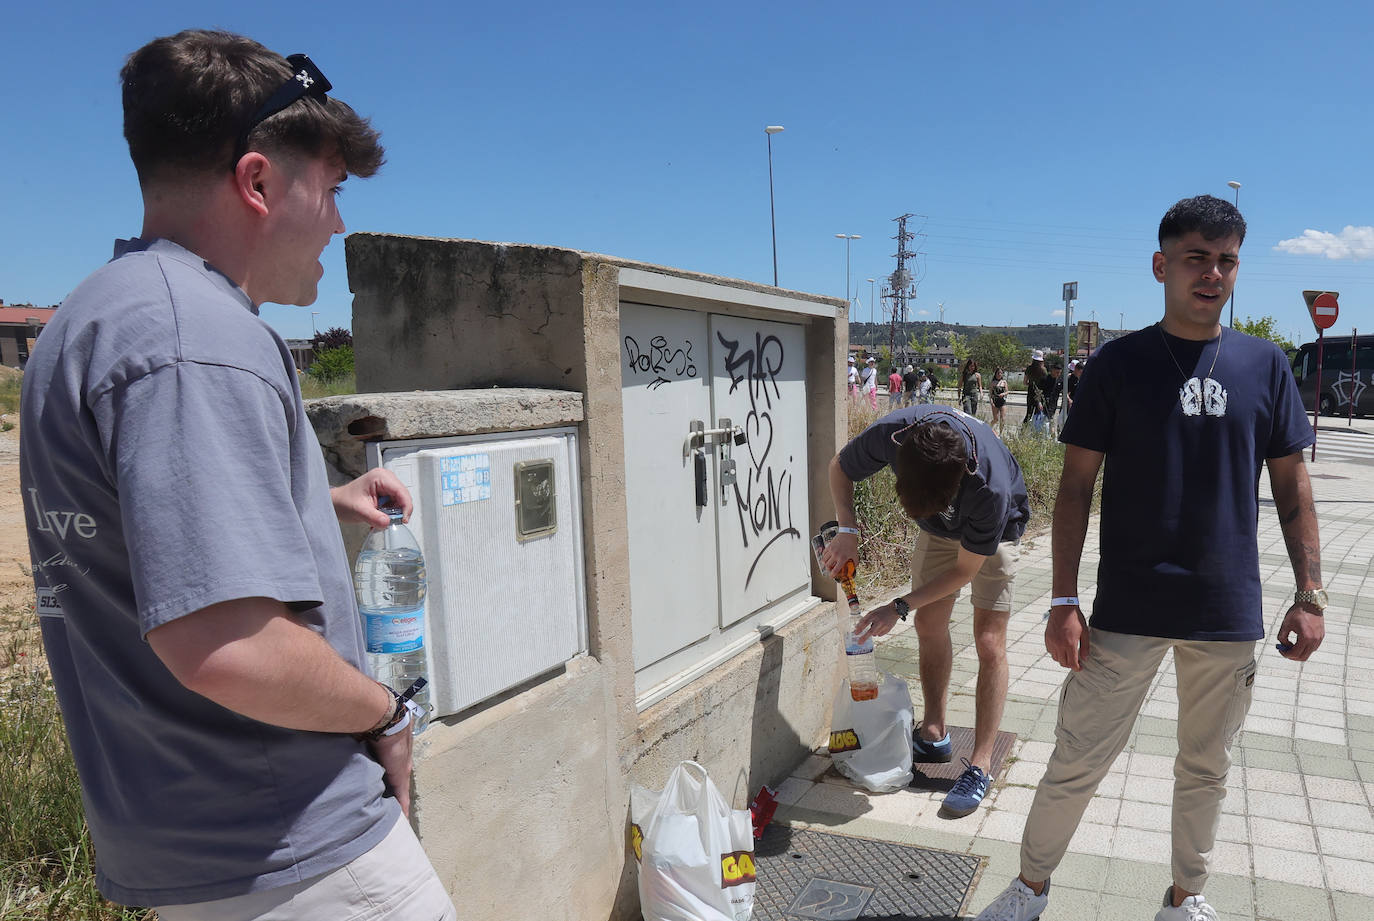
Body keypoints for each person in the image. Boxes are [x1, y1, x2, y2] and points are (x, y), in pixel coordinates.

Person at [20, 30, 457, 919]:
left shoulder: (95, 317)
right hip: (294, 846)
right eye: (331, 189)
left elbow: (142, 541)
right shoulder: (198, 337)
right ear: (258, 183)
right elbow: (227, 644)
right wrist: (385, 713)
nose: (339, 221)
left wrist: (308, 503)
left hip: (188, 844)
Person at [974, 195, 1322, 921]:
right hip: (1125, 608)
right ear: (1162, 265)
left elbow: (1293, 488)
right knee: (1077, 757)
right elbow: (1074, 487)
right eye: (1197, 257)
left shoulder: (1267, 365)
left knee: (1207, 768)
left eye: (1226, 260)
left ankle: (1184, 897)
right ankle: (1029, 886)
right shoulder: (1118, 364)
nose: (1212, 273)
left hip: (1226, 610)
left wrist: (1310, 592)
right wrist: (1064, 599)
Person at [823, 405, 1031, 819]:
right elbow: (839, 468)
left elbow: (964, 570)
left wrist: (897, 605)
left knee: (990, 643)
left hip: (991, 536)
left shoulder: (988, 488)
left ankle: (982, 764)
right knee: (928, 623)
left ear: (962, 475)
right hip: (939, 533)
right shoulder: (895, 434)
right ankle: (934, 732)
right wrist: (847, 530)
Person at [1022, 350, 1048, 430]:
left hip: (1030, 392)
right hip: (1040, 393)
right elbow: (1045, 383)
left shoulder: (1029, 369)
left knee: (1029, 413)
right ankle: (1035, 431)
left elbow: (1024, 382)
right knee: (1038, 414)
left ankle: (1023, 431)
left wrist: (1031, 384)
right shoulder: (1043, 370)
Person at [1042, 364, 1063, 435]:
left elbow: (1063, 390)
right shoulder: (1045, 379)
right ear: (1052, 371)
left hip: (1053, 404)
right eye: (1057, 372)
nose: (1058, 374)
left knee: (1051, 420)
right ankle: (1049, 436)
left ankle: (1052, 436)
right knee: (1046, 421)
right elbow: (1039, 391)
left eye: (1060, 373)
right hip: (1044, 404)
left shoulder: (1060, 380)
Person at [989, 367, 1009, 436]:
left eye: (1001, 373)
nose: (999, 374)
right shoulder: (993, 382)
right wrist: (991, 402)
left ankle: (1001, 433)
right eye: (998, 373)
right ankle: (989, 427)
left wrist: (1003, 394)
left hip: (1002, 402)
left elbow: (1007, 391)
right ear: (995, 374)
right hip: (995, 401)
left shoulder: (1004, 382)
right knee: (996, 419)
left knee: (1003, 418)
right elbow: (990, 394)